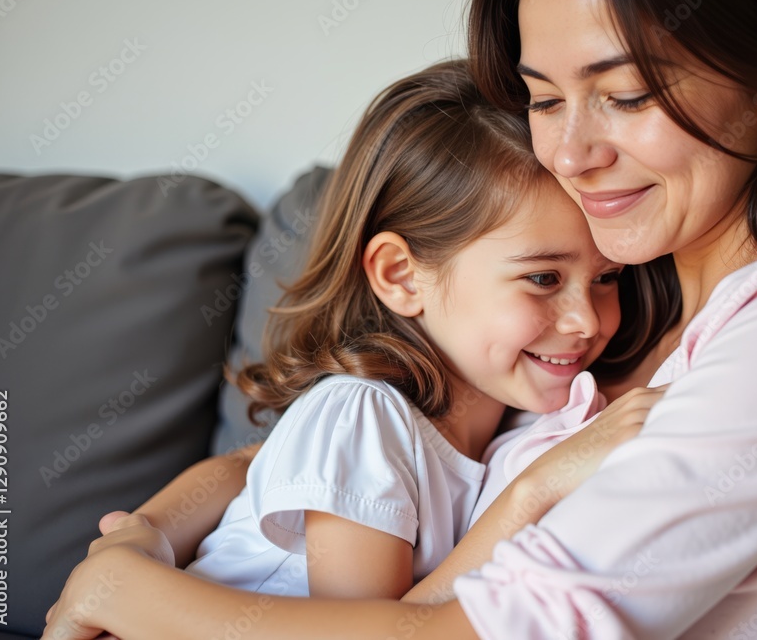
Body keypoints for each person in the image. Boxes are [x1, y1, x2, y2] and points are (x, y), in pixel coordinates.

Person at [44, 0, 757, 638]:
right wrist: (145, 538)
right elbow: (278, 458)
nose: (572, 153)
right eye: (543, 99)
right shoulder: (610, 320)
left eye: (626, 92)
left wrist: (128, 594)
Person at [156, 58, 638, 600]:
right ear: (403, 276)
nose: (588, 320)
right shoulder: (361, 414)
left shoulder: (520, 421)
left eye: (608, 277)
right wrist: (535, 491)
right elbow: (375, 631)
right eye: (543, 278)